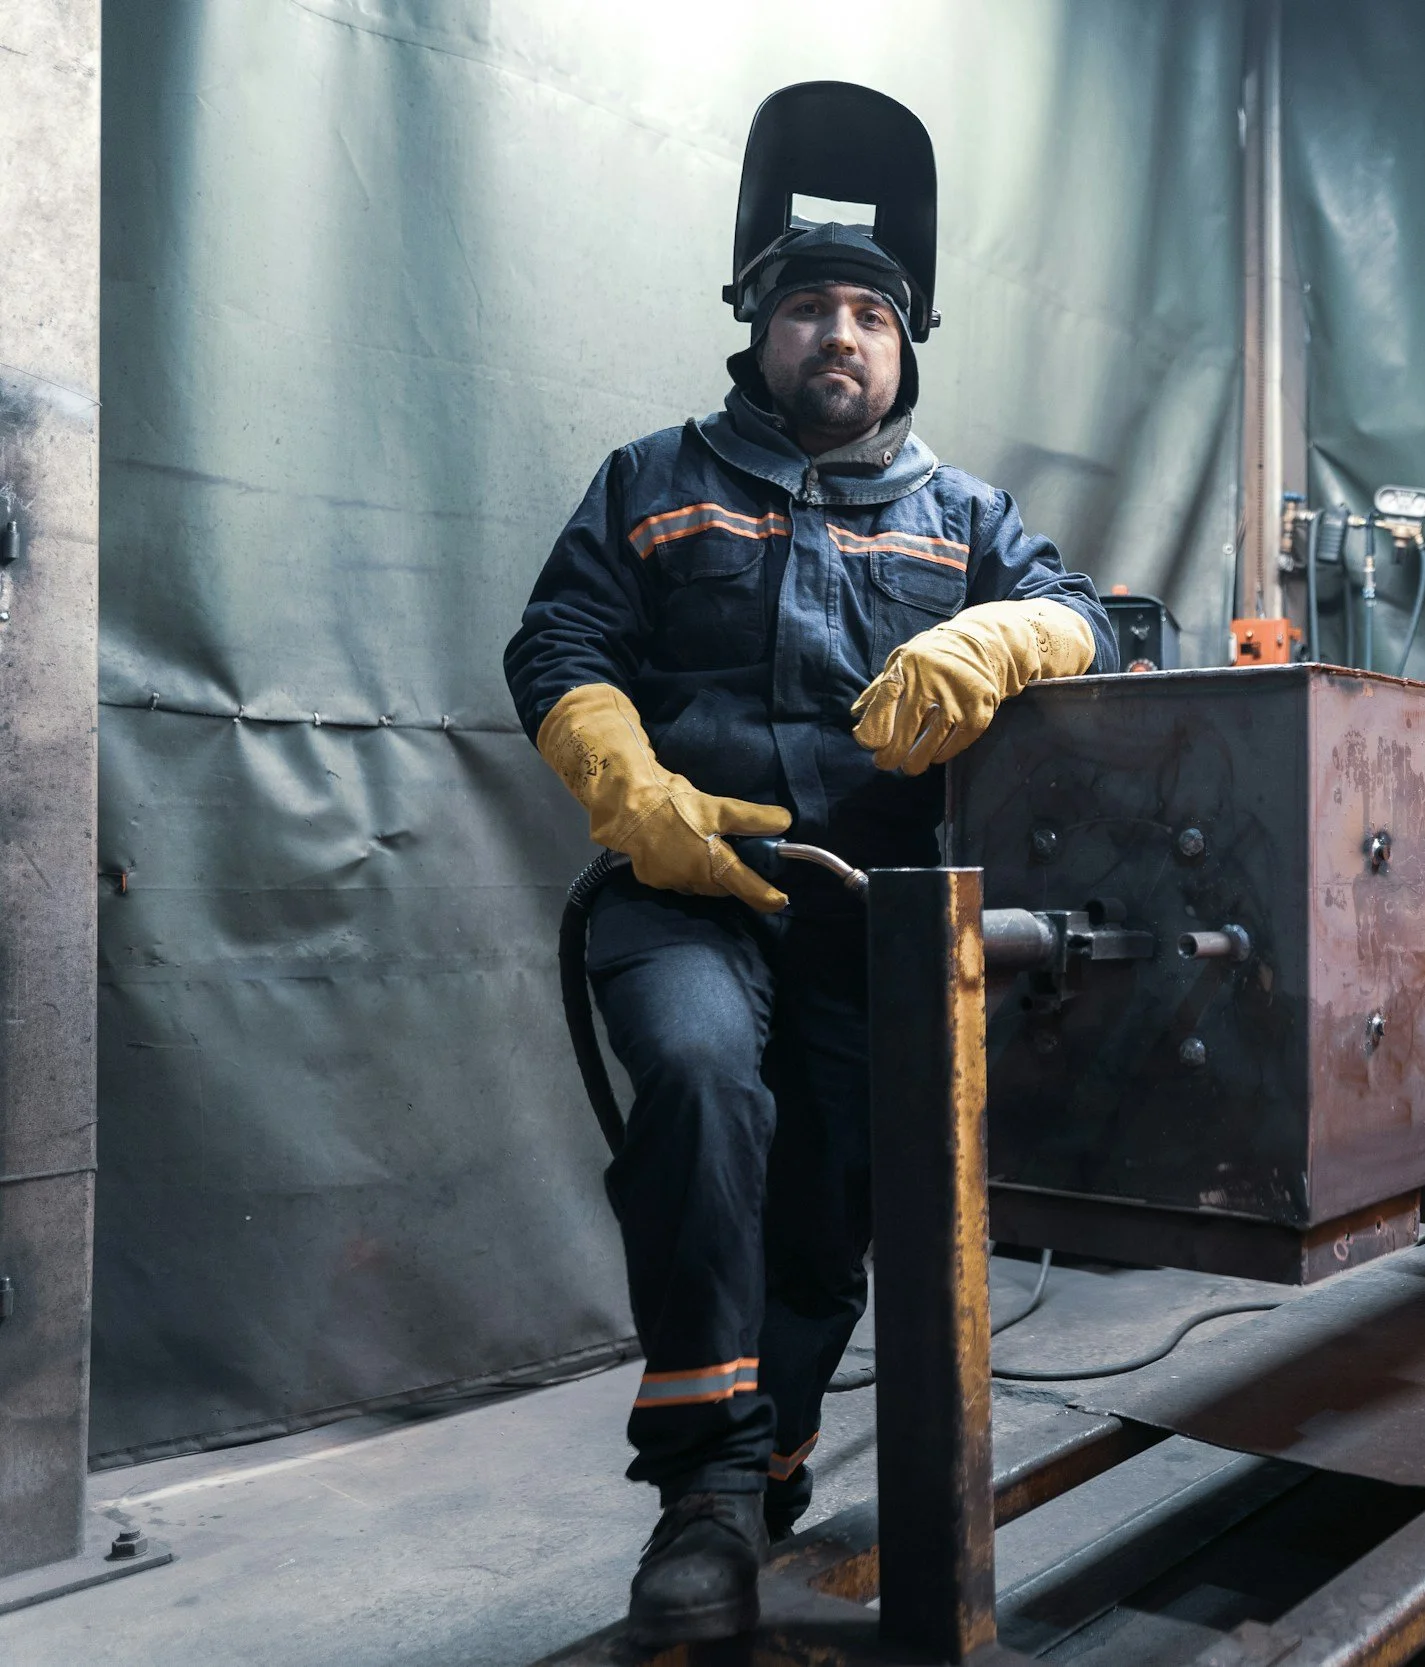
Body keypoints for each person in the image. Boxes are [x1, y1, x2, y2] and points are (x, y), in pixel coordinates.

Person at [504, 220, 1113, 1644]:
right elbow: (559, 641)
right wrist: (623, 774)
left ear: (903, 349)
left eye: (870, 315)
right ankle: (705, 1496)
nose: (840, 334)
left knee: (834, 1222)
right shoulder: (654, 481)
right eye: (809, 311)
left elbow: (1089, 615)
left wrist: (1001, 635)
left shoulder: (963, 516)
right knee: (707, 1085)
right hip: (688, 888)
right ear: (758, 332)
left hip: (867, 917)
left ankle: (766, 1460)